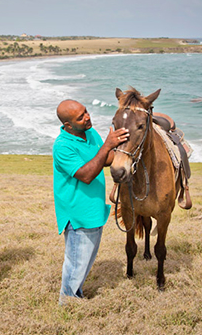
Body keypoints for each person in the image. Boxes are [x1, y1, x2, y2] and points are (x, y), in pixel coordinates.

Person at [52, 99, 129, 303]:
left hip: (94, 210)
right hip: (78, 214)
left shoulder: (89, 133)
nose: (87, 117)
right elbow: (86, 175)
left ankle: (75, 295)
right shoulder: (62, 146)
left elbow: (106, 158)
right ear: (68, 125)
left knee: (84, 262)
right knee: (76, 264)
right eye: (80, 117)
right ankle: (68, 302)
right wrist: (107, 146)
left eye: (86, 111)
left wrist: (120, 147)